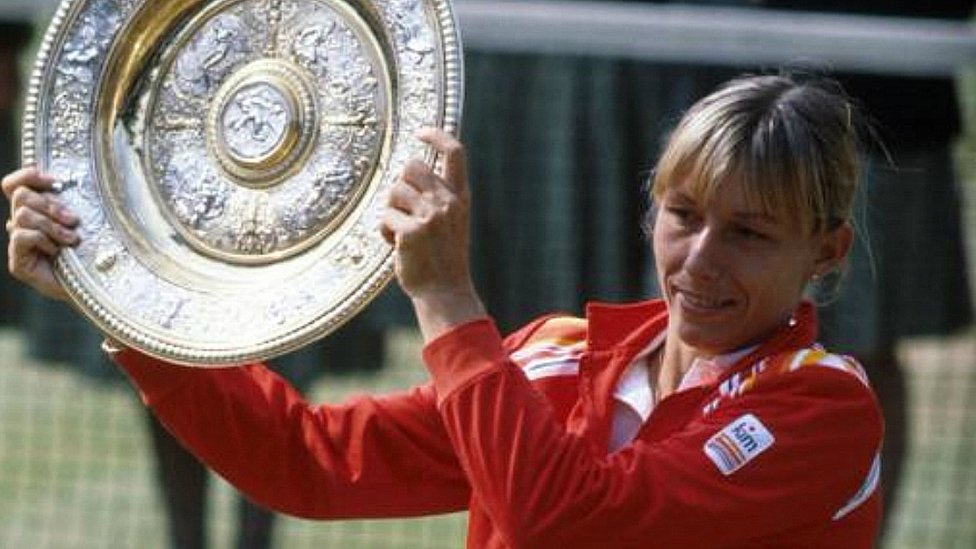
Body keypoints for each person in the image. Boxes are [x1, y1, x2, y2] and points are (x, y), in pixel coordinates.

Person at [4, 74, 884, 547]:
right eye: (684, 214)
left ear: (827, 250)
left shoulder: (822, 408)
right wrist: (119, 289)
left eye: (751, 233)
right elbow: (303, 461)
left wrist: (446, 297)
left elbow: (573, 521)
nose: (699, 258)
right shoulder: (555, 356)